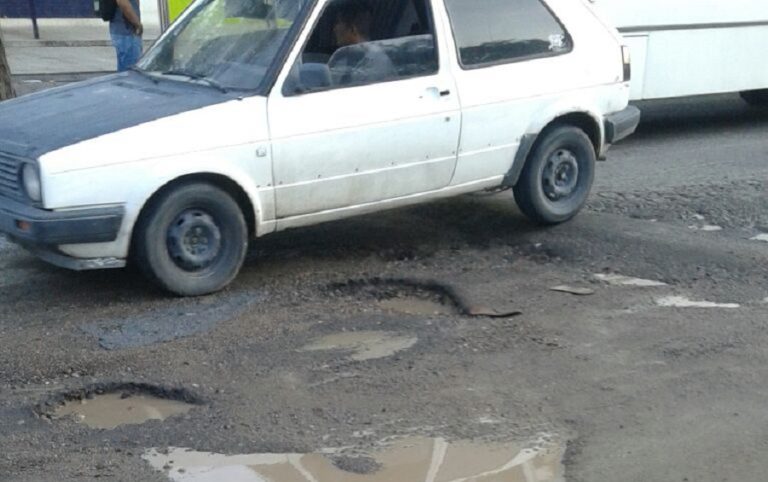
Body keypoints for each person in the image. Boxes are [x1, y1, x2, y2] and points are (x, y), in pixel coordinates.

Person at [328, 0, 396, 85]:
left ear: (353, 28)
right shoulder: (341, 58)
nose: (335, 29)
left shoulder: (377, 64)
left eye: (338, 23)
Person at [111, 0, 143, 72]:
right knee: (131, 73)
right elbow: (123, 3)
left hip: (123, 31)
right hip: (127, 31)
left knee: (125, 71)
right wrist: (137, 23)